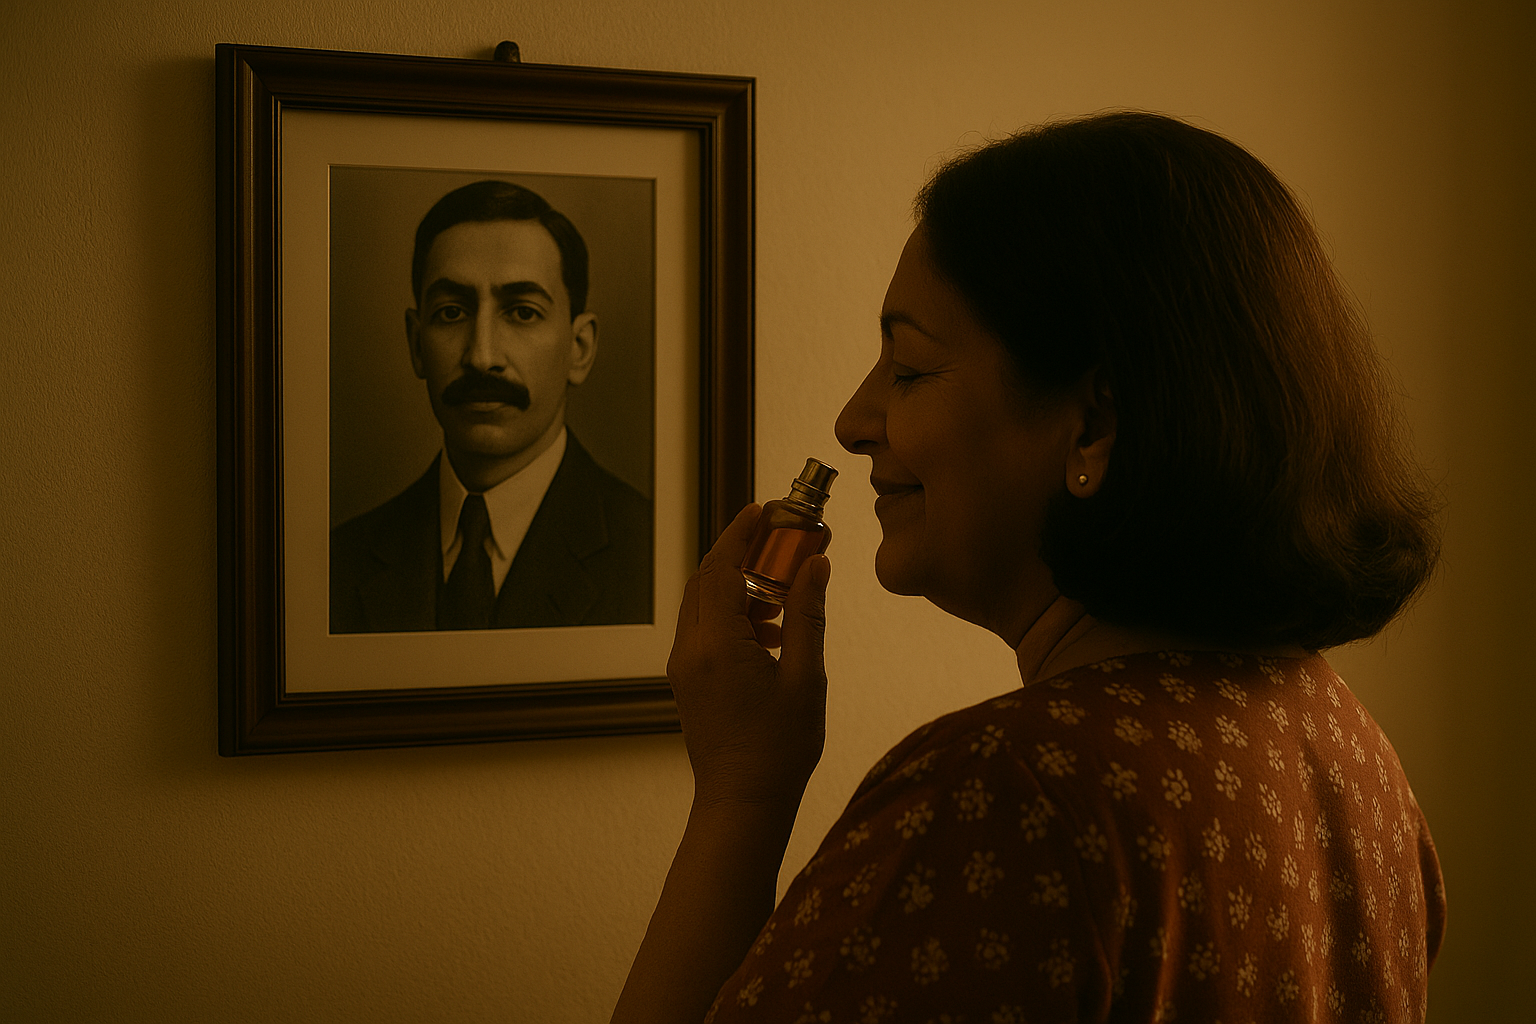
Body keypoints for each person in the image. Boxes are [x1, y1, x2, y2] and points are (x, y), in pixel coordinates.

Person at [611, 113, 1445, 1023]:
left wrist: (741, 791)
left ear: (1091, 425)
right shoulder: (1344, 745)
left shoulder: (1006, 794)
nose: (854, 419)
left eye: (911, 368)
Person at [330, 180, 652, 633]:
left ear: (580, 348)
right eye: (451, 312)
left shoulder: (653, 551)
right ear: (416, 344)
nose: (482, 356)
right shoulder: (338, 562)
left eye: (522, 312)